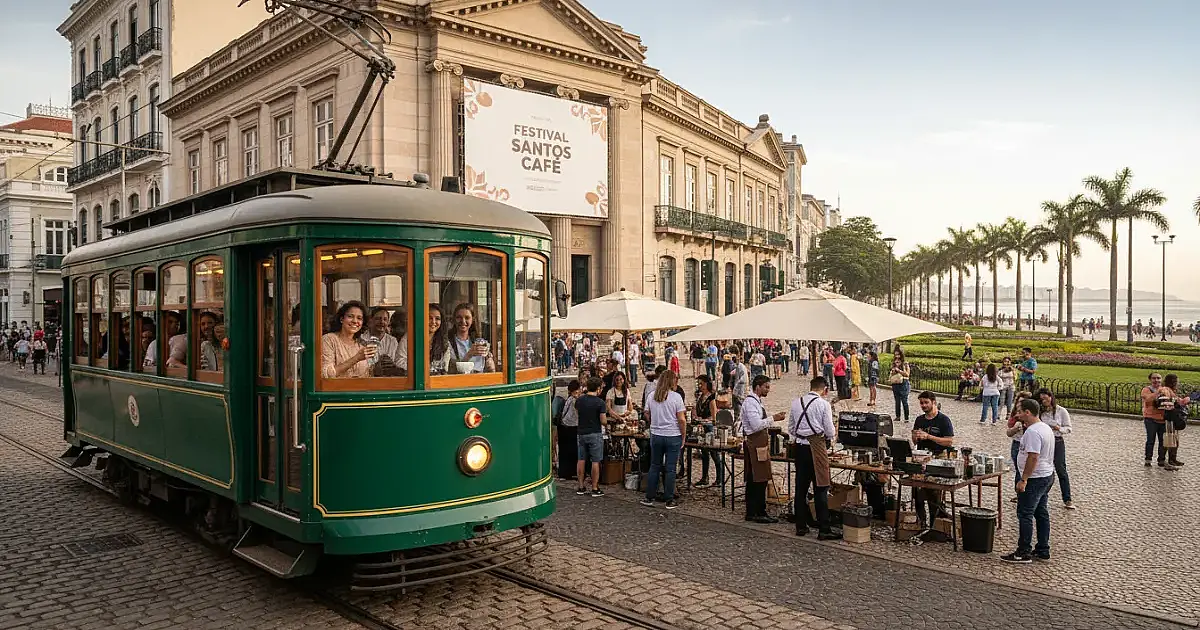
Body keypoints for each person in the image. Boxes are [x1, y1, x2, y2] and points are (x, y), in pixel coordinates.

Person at [1002, 397, 1056, 564]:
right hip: (1046, 475)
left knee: (1025, 513)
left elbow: (1033, 457)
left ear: (1028, 412)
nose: (1017, 415)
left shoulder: (1033, 432)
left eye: (1019, 411)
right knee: (1041, 512)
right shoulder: (1044, 428)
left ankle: (1023, 551)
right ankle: (1042, 549)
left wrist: (1024, 479)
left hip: (1035, 478)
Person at [790, 376, 840, 539]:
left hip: (799, 447)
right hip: (816, 447)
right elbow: (830, 432)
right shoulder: (823, 404)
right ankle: (824, 529)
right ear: (825, 390)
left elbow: (791, 428)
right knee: (821, 488)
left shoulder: (796, 402)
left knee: (801, 488)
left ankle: (801, 526)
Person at [740, 374, 786, 524]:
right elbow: (755, 425)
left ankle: (757, 510)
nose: (768, 390)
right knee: (757, 479)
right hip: (755, 444)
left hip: (760, 443)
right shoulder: (751, 403)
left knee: (760, 478)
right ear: (758, 387)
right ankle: (755, 511)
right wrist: (774, 418)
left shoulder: (757, 402)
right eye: (766, 387)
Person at [640, 369, 686, 509]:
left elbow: (646, 412)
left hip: (657, 434)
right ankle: (669, 498)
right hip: (672, 435)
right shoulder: (676, 397)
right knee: (670, 468)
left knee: (655, 466)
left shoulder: (652, 396)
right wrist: (683, 435)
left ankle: (650, 496)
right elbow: (681, 419)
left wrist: (653, 419)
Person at [912, 391, 954, 529]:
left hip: (938, 457)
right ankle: (921, 522)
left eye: (926, 403)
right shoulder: (919, 420)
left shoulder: (943, 420)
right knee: (916, 491)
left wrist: (929, 437)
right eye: (921, 403)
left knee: (933, 493)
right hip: (921, 457)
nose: (923, 405)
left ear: (933, 402)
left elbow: (949, 441)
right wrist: (915, 436)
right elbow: (914, 440)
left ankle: (934, 524)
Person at [1036, 388, 1074, 508]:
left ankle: (1067, 498)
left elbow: (1068, 428)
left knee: (1060, 469)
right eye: (1041, 399)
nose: (1044, 401)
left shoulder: (1061, 411)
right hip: (1044, 442)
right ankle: (1040, 494)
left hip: (1057, 441)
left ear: (1051, 397)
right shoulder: (1041, 412)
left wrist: (1059, 429)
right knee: (1042, 468)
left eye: (1046, 398)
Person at [321, 301, 375, 378]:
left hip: (361, 389)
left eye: (359, 318)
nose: (355, 321)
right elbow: (326, 374)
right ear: (342, 319)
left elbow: (369, 376)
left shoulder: (362, 344)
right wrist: (356, 358)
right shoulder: (329, 340)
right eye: (350, 316)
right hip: (336, 389)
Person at [574, 377, 607, 497]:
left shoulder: (579, 400)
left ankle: (581, 486)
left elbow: (578, 413)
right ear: (598, 389)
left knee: (581, 459)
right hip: (595, 433)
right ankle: (594, 487)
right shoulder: (600, 403)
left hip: (581, 432)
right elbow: (603, 421)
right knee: (595, 461)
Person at [440, 303, 496, 374]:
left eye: (467, 318)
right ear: (454, 319)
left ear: (472, 320)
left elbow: (490, 370)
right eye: (459, 317)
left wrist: (490, 363)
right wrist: (469, 354)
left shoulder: (479, 341)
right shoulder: (447, 343)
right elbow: (450, 369)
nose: (463, 321)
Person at [693, 375, 724, 489]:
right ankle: (704, 477)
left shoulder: (711, 398)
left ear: (707, 384)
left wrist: (705, 420)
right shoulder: (701, 397)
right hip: (702, 428)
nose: (700, 386)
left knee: (714, 454)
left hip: (709, 428)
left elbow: (714, 417)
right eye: (699, 384)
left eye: (701, 384)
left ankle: (719, 478)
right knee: (704, 454)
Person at [1158, 374, 1187, 470]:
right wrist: (1175, 404)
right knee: (1168, 440)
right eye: (1177, 381)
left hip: (1173, 417)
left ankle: (1172, 459)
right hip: (1169, 418)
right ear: (1173, 382)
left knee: (1174, 439)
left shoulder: (1171, 390)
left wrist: (1182, 401)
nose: (1178, 383)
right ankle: (1163, 460)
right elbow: (1165, 402)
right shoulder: (1165, 390)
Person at [1141, 373, 1168, 467]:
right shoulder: (1146, 389)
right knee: (1150, 440)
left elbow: (1173, 398)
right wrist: (1157, 392)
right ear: (1150, 380)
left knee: (1163, 441)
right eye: (1154, 378)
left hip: (1163, 418)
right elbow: (1147, 399)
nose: (1156, 380)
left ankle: (1161, 460)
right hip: (1150, 418)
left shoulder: (1166, 389)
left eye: (1158, 378)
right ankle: (1148, 459)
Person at [558, 380, 581, 481]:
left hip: (565, 427)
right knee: (572, 450)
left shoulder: (569, 399)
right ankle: (570, 471)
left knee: (565, 451)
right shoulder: (574, 400)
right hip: (572, 427)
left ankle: (565, 472)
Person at [889, 350, 911, 421]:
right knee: (897, 401)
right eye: (895, 355)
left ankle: (906, 417)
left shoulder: (905, 363)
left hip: (903, 383)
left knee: (904, 401)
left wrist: (898, 370)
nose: (897, 357)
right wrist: (893, 371)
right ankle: (898, 416)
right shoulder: (894, 363)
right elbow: (891, 374)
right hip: (895, 384)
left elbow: (907, 374)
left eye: (898, 355)